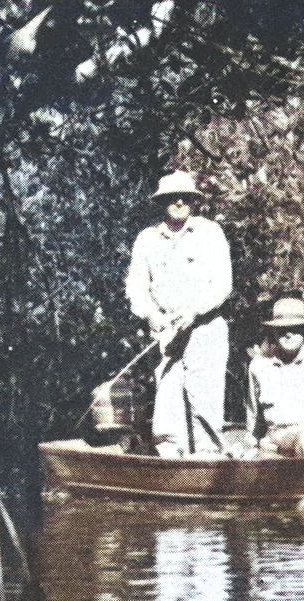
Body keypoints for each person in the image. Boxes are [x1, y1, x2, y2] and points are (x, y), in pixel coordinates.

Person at [125, 170, 232, 457]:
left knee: (205, 399)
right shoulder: (146, 240)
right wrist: (152, 315)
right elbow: (136, 288)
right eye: (173, 197)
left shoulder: (211, 233)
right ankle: (171, 459)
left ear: (194, 201)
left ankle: (207, 459)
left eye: (186, 197)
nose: (180, 202)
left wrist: (194, 311)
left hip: (205, 327)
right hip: (166, 332)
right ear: (162, 202)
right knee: (168, 399)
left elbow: (223, 284)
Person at [245, 297, 304, 458]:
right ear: (274, 331)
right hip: (275, 443)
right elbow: (255, 419)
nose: (288, 334)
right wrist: (253, 444)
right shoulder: (259, 366)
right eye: (282, 329)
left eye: (295, 328)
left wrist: (297, 432)